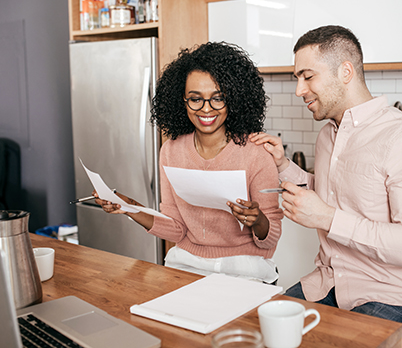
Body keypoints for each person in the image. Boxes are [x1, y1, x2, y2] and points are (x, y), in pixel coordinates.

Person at [250, 25, 402, 347]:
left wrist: (326, 217)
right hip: (326, 284)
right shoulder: (328, 135)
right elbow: (333, 193)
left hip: (392, 296)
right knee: (260, 334)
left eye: (307, 76)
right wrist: (282, 166)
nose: (299, 90)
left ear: (345, 71)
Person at [95, 42, 283, 284]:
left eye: (218, 99)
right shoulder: (171, 151)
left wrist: (257, 220)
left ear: (234, 99)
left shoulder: (256, 154)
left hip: (245, 269)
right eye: (195, 99)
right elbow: (176, 229)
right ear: (182, 100)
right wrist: (130, 207)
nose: (206, 109)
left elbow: (270, 238)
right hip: (187, 265)